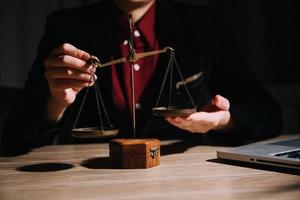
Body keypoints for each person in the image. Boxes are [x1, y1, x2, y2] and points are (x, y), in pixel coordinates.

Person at [1, 0, 282, 155]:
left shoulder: (202, 25)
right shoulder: (68, 26)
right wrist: (56, 103)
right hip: (91, 181)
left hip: (182, 182)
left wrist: (222, 121)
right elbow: (12, 138)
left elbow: (268, 116)